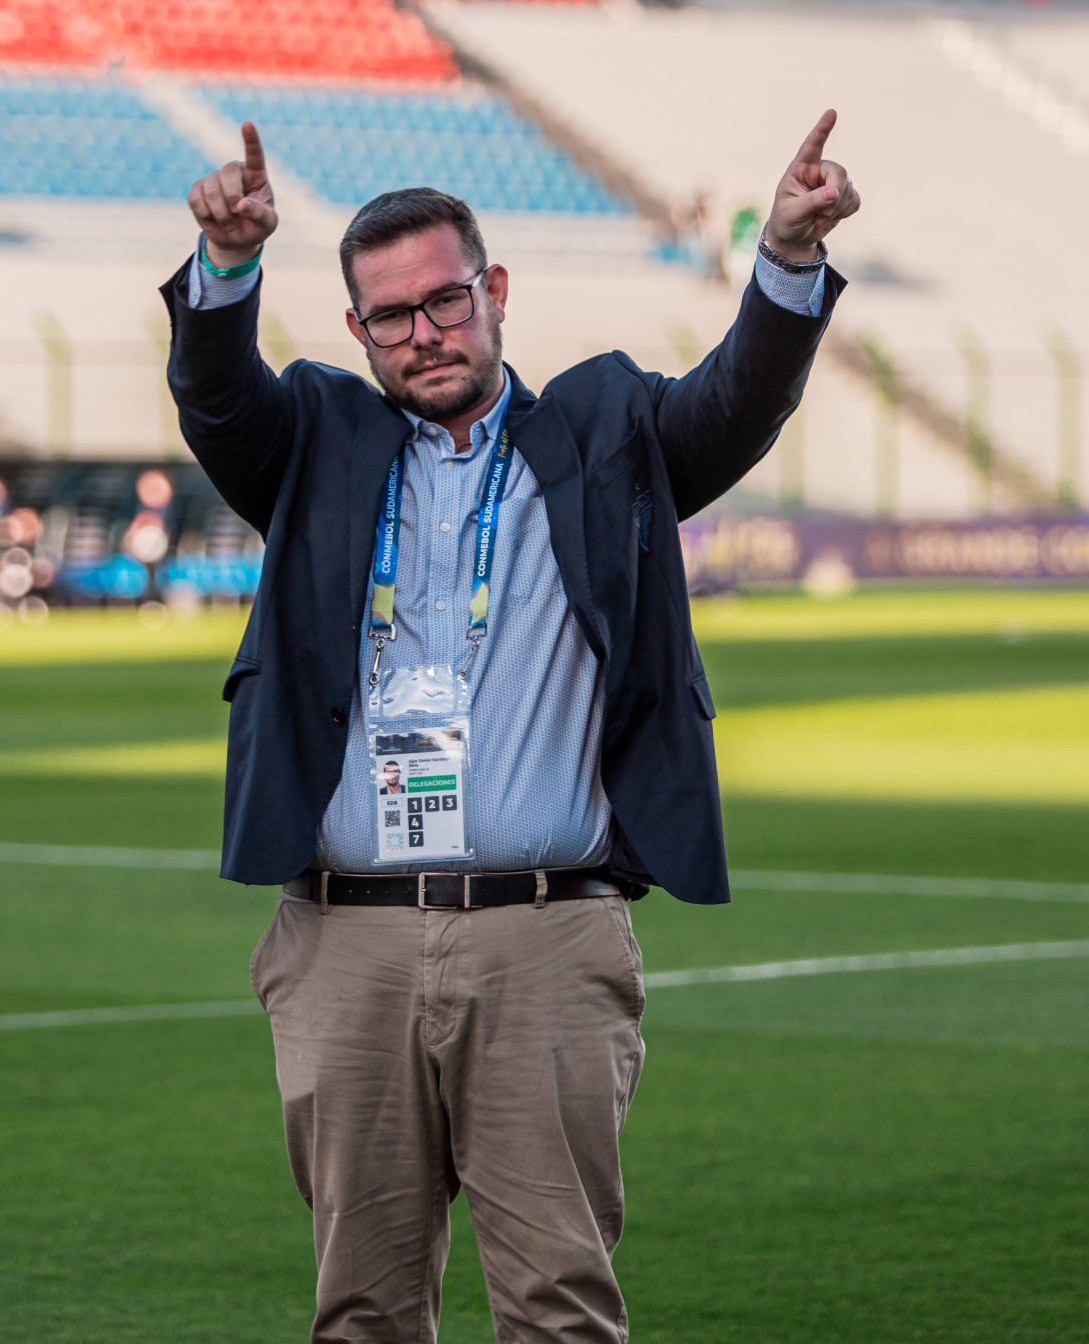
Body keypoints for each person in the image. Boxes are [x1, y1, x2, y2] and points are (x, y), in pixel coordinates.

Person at [164, 114, 858, 1344]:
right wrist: (223, 267)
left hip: (545, 936)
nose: (422, 335)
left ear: (492, 291)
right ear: (356, 334)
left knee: (559, 1309)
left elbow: (736, 402)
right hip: (347, 946)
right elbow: (216, 400)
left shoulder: (605, 429)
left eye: (443, 303)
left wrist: (787, 262)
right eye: (391, 317)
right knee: (362, 1312)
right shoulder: (315, 441)